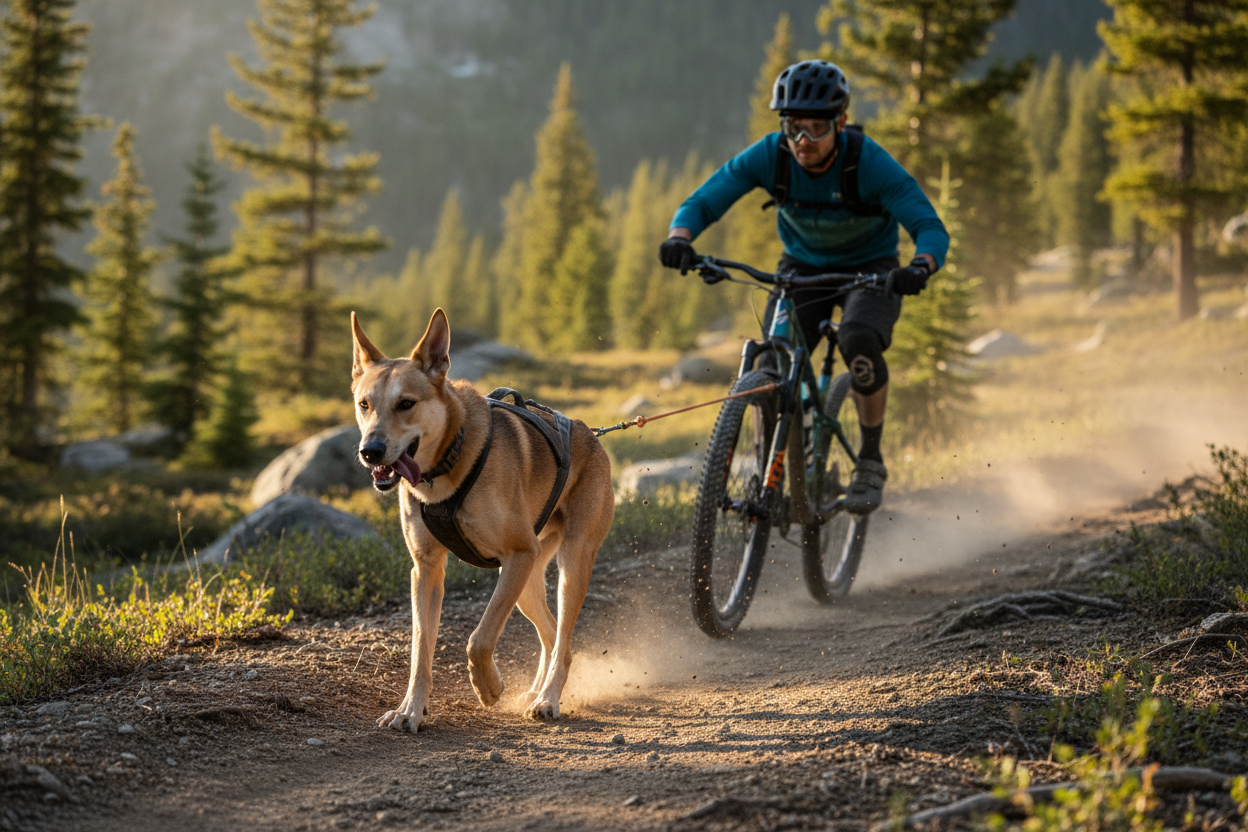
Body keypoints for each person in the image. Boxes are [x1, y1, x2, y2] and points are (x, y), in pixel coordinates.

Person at [659, 60, 949, 514]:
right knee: (773, 361)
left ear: (842, 123)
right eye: (795, 129)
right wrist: (681, 237)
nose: (803, 142)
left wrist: (921, 264)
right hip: (802, 268)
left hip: (869, 270)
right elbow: (708, 197)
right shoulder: (771, 155)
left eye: (817, 130)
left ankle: (869, 460)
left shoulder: (868, 163)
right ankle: (775, 470)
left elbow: (928, 225)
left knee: (858, 341)